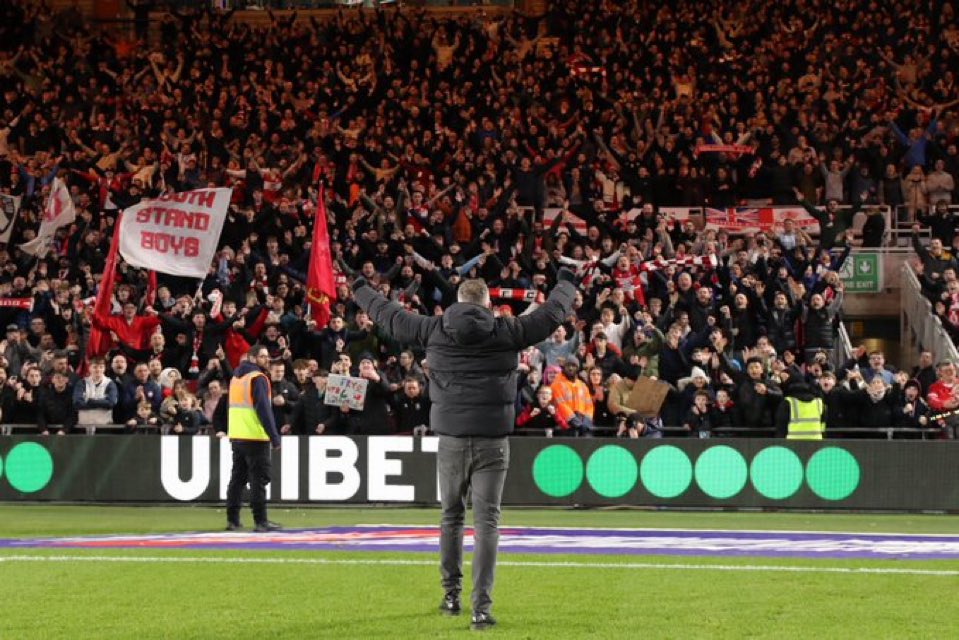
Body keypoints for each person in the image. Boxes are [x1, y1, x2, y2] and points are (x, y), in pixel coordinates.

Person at [351, 268, 577, 631]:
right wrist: (565, 281)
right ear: (488, 304)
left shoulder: (433, 329)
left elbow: (388, 315)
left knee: (451, 517)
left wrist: (361, 289)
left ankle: (451, 595)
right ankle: (480, 610)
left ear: (457, 302)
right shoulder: (507, 330)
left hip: (452, 441)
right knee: (487, 524)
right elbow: (551, 314)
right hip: (492, 441)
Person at [225, 344, 282, 532]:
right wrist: (274, 437)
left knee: (237, 479)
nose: (267, 360)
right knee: (259, 480)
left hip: (238, 435)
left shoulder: (236, 378)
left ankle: (232, 520)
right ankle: (260, 521)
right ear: (252, 358)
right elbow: (263, 410)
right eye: (263, 356)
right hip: (255, 436)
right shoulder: (258, 378)